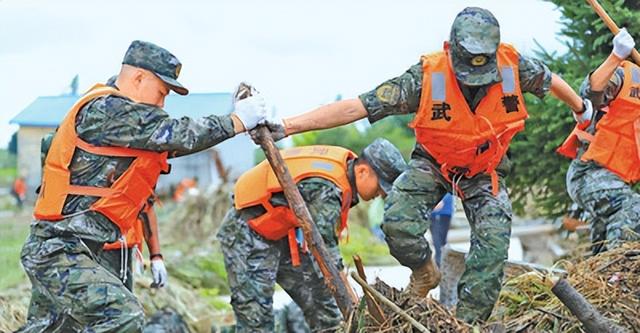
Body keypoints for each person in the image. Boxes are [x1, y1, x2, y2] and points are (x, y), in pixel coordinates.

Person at [259, 7, 586, 323]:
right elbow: (356, 107)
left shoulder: (514, 66)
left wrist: (581, 109)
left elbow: (550, 79)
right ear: (451, 51)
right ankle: (425, 270)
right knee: (398, 224)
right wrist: (288, 126)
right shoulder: (425, 77)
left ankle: (466, 323)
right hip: (434, 164)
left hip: (484, 171)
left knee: (492, 247)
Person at [18, 40, 267, 332]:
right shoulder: (109, 108)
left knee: (51, 328)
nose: (162, 104)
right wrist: (236, 121)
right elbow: (175, 133)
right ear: (138, 78)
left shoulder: (120, 121)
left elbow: (168, 145)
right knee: (122, 317)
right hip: (59, 250)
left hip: (72, 249)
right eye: (161, 92)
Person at [217, 139, 407, 332]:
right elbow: (328, 260)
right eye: (381, 187)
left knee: (324, 304)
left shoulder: (343, 171)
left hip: (283, 234)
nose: (381, 194)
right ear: (363, 171)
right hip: (247, 232)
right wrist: (356, 307)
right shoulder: (328, 188)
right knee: (256, 319)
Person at [557, 28, 640, 254]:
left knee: (601, 247)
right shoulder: (627, 77)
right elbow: (589, 94)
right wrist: (616, 56)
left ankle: (598, 279)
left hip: (617, 184)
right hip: (589, 173)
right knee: (633, 207)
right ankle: (619, 275)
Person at [430, 193, 454, 267]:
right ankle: (441, 265)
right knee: (438, 241)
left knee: (439, 242)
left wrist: (441, 200)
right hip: (435, 214)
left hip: (442, 212)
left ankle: (440, 265)